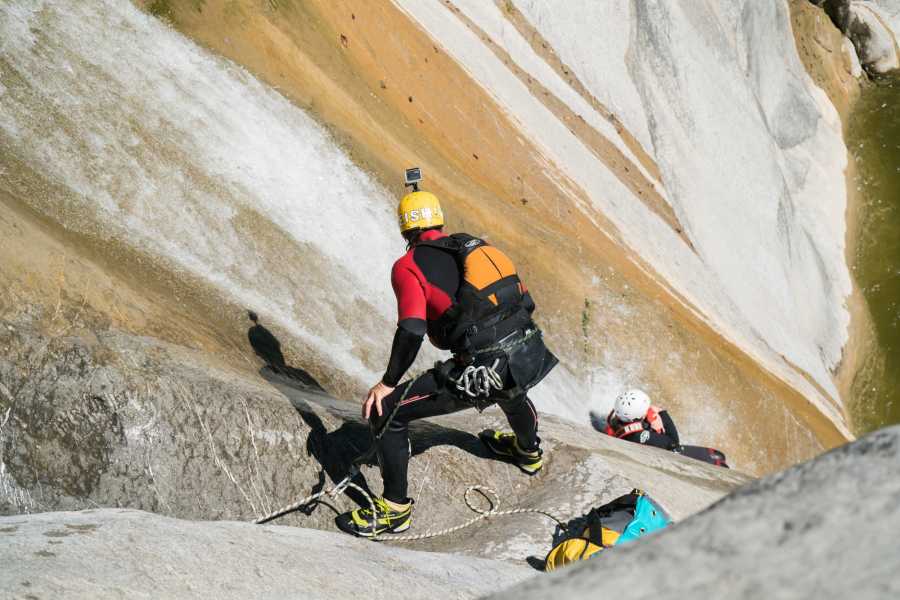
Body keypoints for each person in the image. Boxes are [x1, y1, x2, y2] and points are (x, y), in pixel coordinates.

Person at [335, 185, 557, 538]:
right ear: (439, 221)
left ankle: (394, 510)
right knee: (510, 388)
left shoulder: (408, 266)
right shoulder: (478, 249)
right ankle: (528, 452)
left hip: (484, 370)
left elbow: (412, 329)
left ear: (405, 229)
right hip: (529, 351)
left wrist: (387, 383)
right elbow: (525, 301)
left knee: (387, 411)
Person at [593, 389, 680, 450]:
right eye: (647, 409)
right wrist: (662, 413)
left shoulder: (618, 417)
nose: (649, 408)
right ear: (640, 416)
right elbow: (674, 443)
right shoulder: (638, 436)